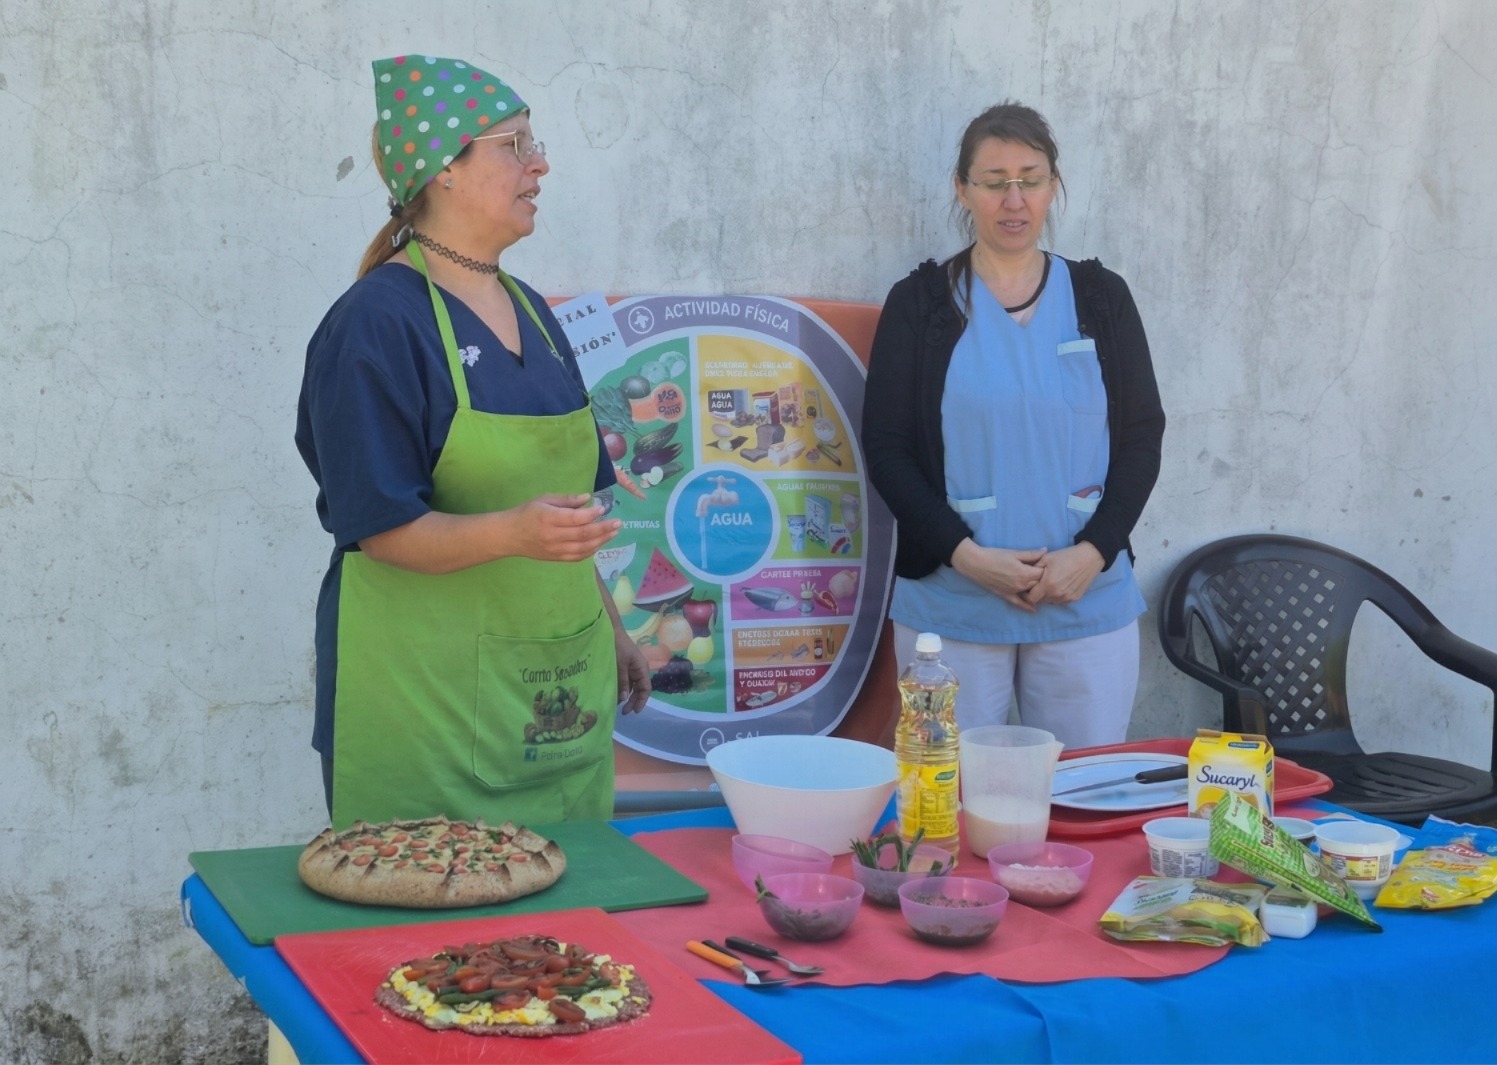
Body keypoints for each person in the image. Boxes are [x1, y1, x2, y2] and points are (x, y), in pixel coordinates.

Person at [296, 54, 649, 829]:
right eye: (513, 145)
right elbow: (382, 528)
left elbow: (570, 514)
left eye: (534, 143)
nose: (539, 164)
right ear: (444, 169)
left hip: (553, 712)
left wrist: (612, 628)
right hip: (424, 710)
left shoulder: (536, 315)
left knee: (573, 903)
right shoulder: (374, 325)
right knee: (433, 901)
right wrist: (512, 532)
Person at [862, 102, 1164, 748]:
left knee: (1081, 788)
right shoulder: (919, 305)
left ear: (1054, 185)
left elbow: (1142, 435)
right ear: (962, 189)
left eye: (1030, 179)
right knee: (948, 792)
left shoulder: (1100, 298)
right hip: (952, 606)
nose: (1014, 199)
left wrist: (1093, 551)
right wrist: (966, 555)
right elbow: (886, 448)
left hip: (1084, 599)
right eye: (994, 181)